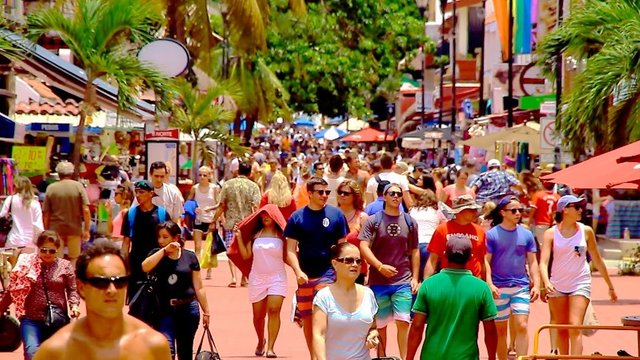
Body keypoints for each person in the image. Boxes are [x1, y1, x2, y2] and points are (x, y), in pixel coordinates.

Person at [33, 241, 171, 360]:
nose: (112, 290)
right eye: (101, 282)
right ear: (81, 287)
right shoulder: (56, 352)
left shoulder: (153, 346)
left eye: (120, 282)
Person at [539, 195, 617, 356]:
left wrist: (610, 286)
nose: (581, 210)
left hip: (580, 283)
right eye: (577, 207)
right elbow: (543, 262)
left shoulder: (586, 231)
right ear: (565, 210)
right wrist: (545, 282)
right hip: (557, 283)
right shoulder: (550, 233)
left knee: (575, 326)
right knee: (561, 328)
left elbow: (597, 259)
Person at [283, 177, 349, 357]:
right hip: (305, 275)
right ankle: (314, 355)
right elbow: (290, 250)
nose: (325, 195)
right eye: (320, 192)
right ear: (309, 193)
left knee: (324, 316)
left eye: (327, 192)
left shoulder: (336, 215)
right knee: (308, 319)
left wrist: (340, 269)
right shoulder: (297, 217)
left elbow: (342, 246)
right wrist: (297, 271)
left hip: (328, 273)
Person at [407, 234, 498, 360]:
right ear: (470, 257)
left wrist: (409, 358)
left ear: (445, 254)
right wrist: (492, 357)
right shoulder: (481, 288)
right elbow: (490, 330)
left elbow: (417, 326)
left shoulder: (429, 285)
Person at [359, 183, 419, 359]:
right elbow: (363, 246)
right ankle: (382, 357)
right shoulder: (373, 220)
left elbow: (414, 250)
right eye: (392, 193)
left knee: (403, 322)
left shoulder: (409, 221)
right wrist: (378, 266)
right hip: (379, 282)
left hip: (402, 281)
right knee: (381, 325)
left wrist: (415, 277)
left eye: (399, 194)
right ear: (384, 196)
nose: (396, 196)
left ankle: (405, 357)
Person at [141, 221, 210, 360]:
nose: (161, 240)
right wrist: (164, 251)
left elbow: (199, 286)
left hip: (188, 309)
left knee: (185, 351)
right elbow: (145, 266)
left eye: (165, 237)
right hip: (164, 310)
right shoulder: (157, 254)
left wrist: (206, 311)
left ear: (176, 238)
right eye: (159, 237)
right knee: (167, 350)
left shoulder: (190, 257)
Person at [9, 230, 81, 360]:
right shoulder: (27, 264)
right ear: (38, 248)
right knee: (32, 353)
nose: (47, 254)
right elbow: (13, 289)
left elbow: (72, 289)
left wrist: (74, 305)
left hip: (57, 320)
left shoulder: (65, 266)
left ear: (57, 250)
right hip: (31, 319)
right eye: (44, 250)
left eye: (52, 251)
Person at [485, 196, 540, 360]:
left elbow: (533, 262)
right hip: (498, 287)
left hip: (521, 286)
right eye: (513, 210)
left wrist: (536, 285)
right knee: (500, 330)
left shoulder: (527, 234)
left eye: (520, 210)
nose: (518, 213)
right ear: (503, 212)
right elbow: (485, 262)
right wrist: (489, 283)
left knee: (522, 325)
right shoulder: (492, 235)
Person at [234, 204, 289, 358]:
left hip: (277, 277)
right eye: (263, 215)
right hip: (257, 278)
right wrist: (238, 238)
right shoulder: (255, 235)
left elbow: (288, 256)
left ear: (275, 217)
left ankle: (271, 347)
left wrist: (299, 270)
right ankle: (260, 341)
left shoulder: (282, 235)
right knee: (258, 316)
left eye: (269, 215)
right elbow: (245, 256)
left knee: (274, 310)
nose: (265, 218)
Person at [312, 243, 379, 360]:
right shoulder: (324, 297)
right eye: (348, 260)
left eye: (358, 261)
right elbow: (318, 335)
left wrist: (373, 335)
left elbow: (373, 327)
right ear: (335, 264)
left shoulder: (369, 294)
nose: (354, 264)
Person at [213, 160, 261, 287]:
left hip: (230, 224)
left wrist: (213, 220)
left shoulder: (228, 185)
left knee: (231, 250)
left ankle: (233, 277)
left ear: (237, 171)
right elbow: (256, 207)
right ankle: (244, 277)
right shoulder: (254, 187)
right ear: (250, 172)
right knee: (246, 252)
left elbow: (221, 205)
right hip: (247, 224)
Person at [122, 180, 170, 302]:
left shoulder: (162, 214)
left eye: (141, 192)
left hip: (158, 262)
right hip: (136, 264)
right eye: (136, 192)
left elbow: (170, 238)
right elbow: (126, 242)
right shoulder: (131, 214)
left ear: (151, 194)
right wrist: (123, 264)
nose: (138, 195)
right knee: (135, 302)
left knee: (159, 300)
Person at [424, 195, 486, 279]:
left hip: (474, 283)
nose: (475, 212)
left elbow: (482, 261)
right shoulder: (442, 229)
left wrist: (487, 283)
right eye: (471, 210)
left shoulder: (480, 231)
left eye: (475, 209)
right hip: (449, 282)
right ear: (459, 211)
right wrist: (426, 283)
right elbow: (432, 260)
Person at [43, 161, 91, 266]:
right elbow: (86, 210)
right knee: (74, 257)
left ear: (58, 174)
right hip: (74, 228)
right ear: (71, 173)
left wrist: (47, 230)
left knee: (57, 258)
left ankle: (58, 279)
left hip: (56, 229)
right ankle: (71, 278)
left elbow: (46, 213)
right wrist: (86, 229)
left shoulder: (51, 188)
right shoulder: (78, 186)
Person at [337, 179, 369, 284]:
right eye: (340, 192)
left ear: (355, 196)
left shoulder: (362, 218)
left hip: (356, 270)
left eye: (346, 193)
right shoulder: (331, 215)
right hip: (334, 270)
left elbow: (368, 247)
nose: (342, 195)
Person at [0, 176, 44, 252]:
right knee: (28, 263)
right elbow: (38, 225)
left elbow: (2, 216)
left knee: (10, 263)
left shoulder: (11, 199)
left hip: (13, 239)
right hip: (30, 241)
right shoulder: (35, 203)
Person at [409, 190, 445, 280]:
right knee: (429, 277)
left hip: (414, 246)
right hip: (430, 245)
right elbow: (445, 225)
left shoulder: (412, 210)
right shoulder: (437, 211)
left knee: (414, 277)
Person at [187, 165, 220, 259]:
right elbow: (188, 202)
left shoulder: (214, 188)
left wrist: (210, 208)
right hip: (198, 219)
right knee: (197, 247)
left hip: (211, 220)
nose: (202, 177)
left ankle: (209, 270)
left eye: (204, 175)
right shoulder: (195, 188)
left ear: (209, 176)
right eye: (200, 175)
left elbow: (219, 204)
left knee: (210, 247)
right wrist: (193, 209)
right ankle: (198, 268)